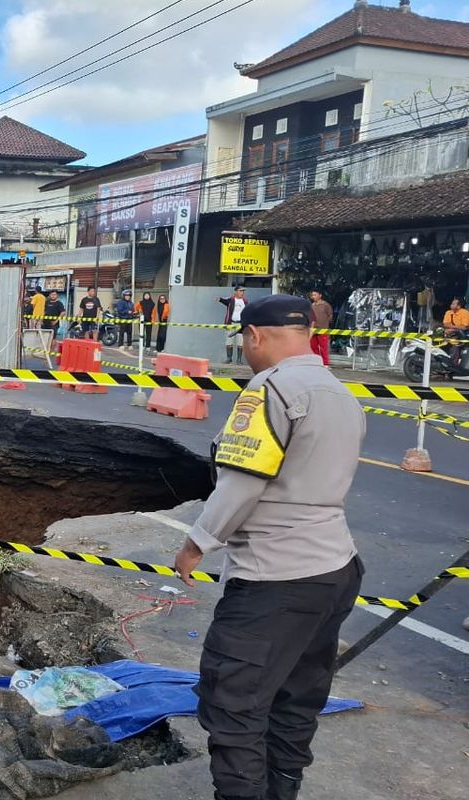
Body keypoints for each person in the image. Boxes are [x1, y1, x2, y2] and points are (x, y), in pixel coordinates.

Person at [173, 294, 364, 800]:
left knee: (233, 704)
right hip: (336, 567)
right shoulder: (338, 391)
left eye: (243, 339)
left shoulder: (269, 390)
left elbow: (240, 483)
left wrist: (195, 544)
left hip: (274, 578)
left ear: (255, 335)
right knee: (295, 700)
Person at [217, 286, 247, 364]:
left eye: (243, 291)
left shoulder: (245, 301)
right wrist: (219, 299)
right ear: (235, 292)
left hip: (240, 325)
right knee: (229, 341)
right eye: (240, 291)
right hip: (231, 323)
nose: (242, 292)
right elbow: (223, 300)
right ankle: (229, 358)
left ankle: (239, 360)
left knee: (240, 342)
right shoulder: (231, 299)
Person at [309, 290, 334, 366]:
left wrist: (325, 322)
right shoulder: (312, 305)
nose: (313, 297)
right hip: (313, 330)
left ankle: (325, 363)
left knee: (323, 347)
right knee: (313, 347)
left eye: (315, 295)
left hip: (323, 329)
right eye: (312, 295)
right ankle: (317, 362)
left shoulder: (326, 305)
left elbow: (330, 316)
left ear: (320, 295)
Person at [442, 297, 469, 366]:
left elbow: (464, 327)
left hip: (462, 334)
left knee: (455, 344)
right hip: (448, 333)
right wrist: (453, 328)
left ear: (459, 306)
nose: (451, 305)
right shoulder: (448, 312)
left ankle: (453, 364)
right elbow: (445, 324)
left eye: (453, 304)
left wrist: (452, 328)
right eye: (452, 303)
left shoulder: (465, 313)